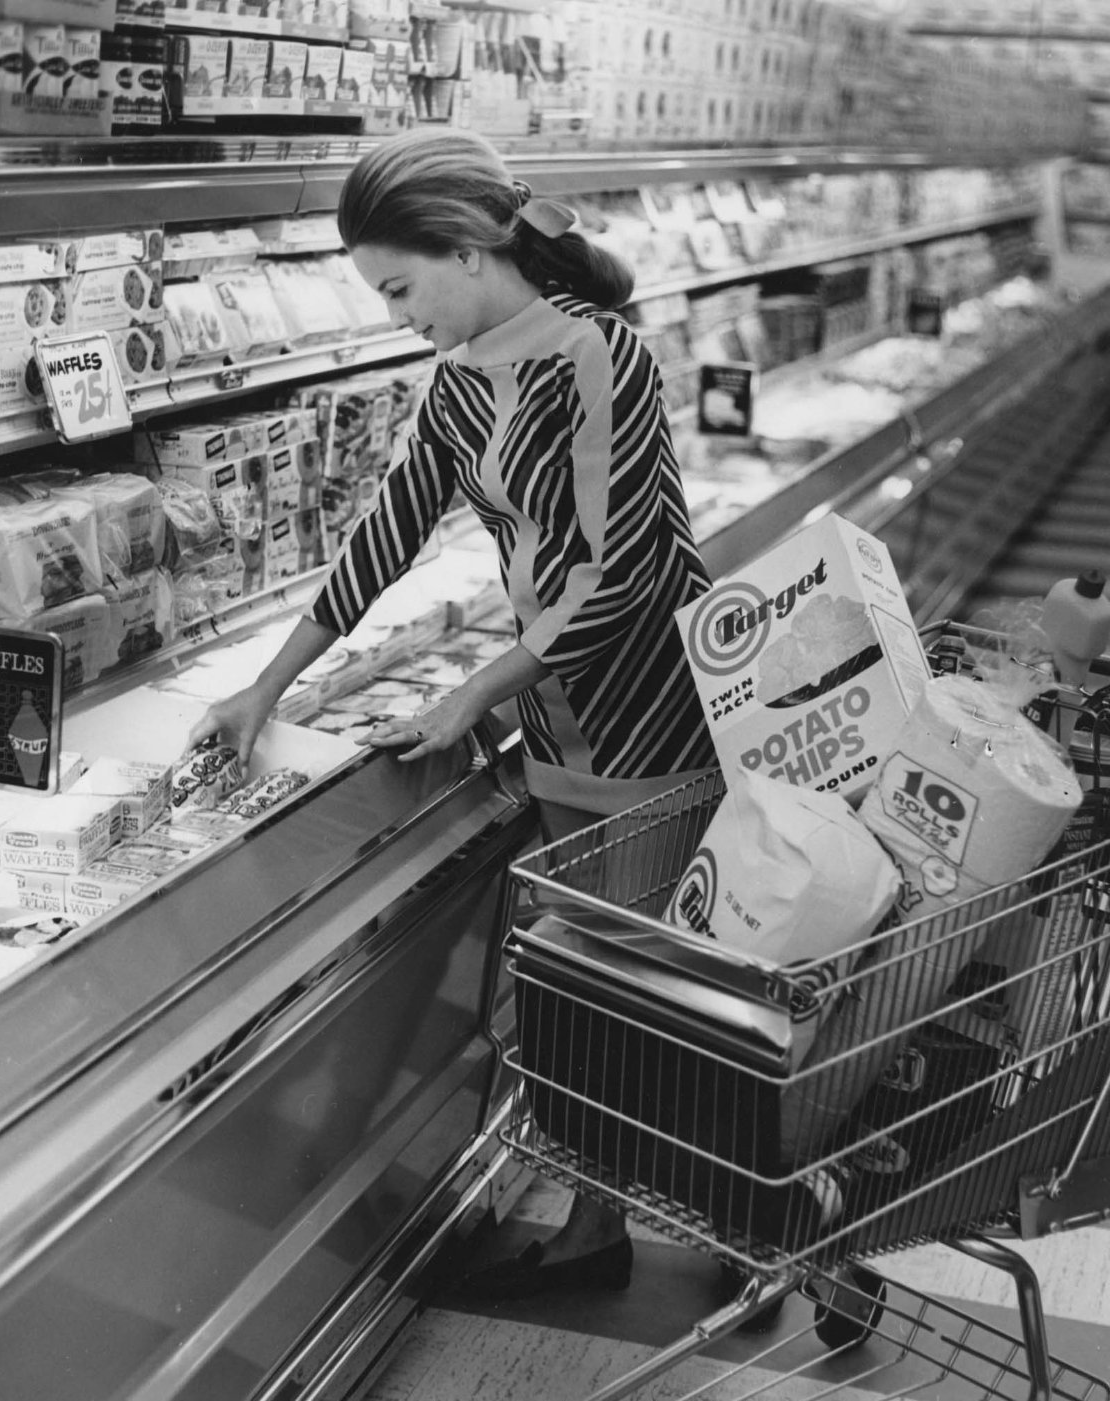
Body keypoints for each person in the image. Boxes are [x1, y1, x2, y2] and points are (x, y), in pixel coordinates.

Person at [188, 127, 778, 1318]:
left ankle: (753, 1235)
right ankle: (596, 1225)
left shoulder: (597, 354)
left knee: (668, 988)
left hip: (646, 712)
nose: (398, 315)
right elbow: (388, 531)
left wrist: (471, 693)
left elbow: (623, 570)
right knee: (594, 981)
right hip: (556, 716)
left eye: (401, 288)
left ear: (464, 248)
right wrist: (272, 682)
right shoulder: (460, 378)